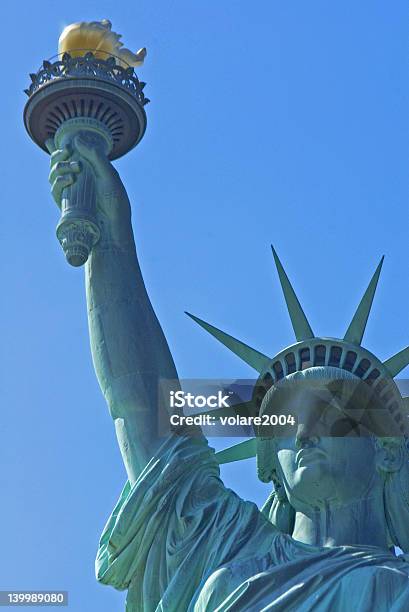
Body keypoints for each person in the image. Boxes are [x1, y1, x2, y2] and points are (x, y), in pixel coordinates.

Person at [49, 138, 409, 611]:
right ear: (268, 468)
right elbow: (140, 407)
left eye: (330, 412)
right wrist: (111, 240)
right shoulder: (225, 554)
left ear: (384, 449)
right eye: (283, 426)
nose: (302, 434)